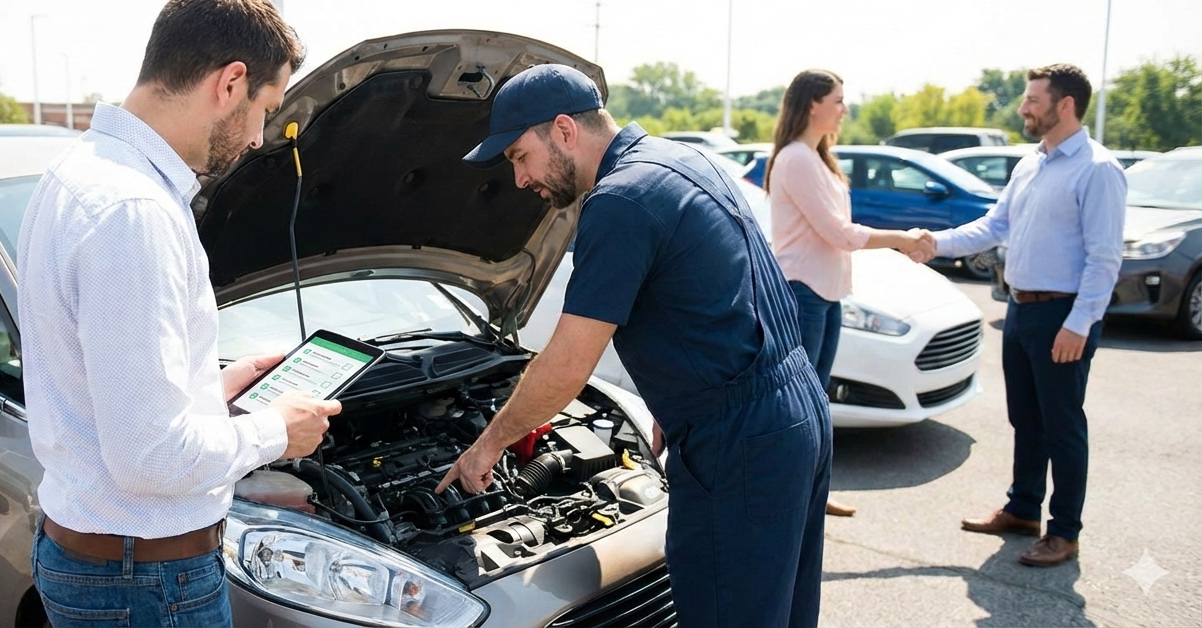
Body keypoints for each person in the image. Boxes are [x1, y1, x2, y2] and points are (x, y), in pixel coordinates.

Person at [436, 64, 831, 627]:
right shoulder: (680, 161)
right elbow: (730, 288)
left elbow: (568, 364)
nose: (520, 180)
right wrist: (688, 399)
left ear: (564, 130)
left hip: (741, 441)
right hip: (792, 412)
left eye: (519, 156)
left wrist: (488, 446)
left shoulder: (619, 202)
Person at [16, 0, 341, 627]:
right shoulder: (132, 212)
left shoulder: (80, 172)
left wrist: (213, 389)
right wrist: (278, 431)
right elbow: (150, 458)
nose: (258, 139)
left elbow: (103, 389)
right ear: (230, 83)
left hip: (112, 562)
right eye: (265, 109)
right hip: (147, 580)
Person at [910, 63, 1125, 567]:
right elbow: (993, 225)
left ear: (1064, 104)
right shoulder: (1032, 163)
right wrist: (932, 243)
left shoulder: (1097, 168)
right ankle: (1023, 508)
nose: (1023, 108)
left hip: (1063, 316)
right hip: (1021, 311)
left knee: (1062, 426)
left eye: (1032, 99)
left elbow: (1105, 257)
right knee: (1026, 419)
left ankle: (1064, 532)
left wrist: (1080, 322)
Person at [764, 69, 935, 518]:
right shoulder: (796, 159)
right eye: (838, 100)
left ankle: (813, 493)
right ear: (812, 104)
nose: (845, 108)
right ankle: (793, 498)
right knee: (802, 405)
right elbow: (837, 232)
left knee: (816, 404)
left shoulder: (819, 159)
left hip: (827, 294)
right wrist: (901, 237)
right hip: (803, 293)